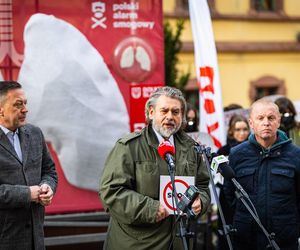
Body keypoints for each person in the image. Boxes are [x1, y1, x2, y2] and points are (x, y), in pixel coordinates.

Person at [99, 86, 210, 250]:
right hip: (138, 244)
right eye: (164, 111)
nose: (170, 117)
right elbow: (111, 192)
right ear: (151, 113)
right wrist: (151, 209)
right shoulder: (129, 146)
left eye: (175, 112)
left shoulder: (192, 148)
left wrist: (201, 201)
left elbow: (203, 185)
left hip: (180, 241)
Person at [224, 99, 300, 250]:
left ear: (278, 121)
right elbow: (229, 195)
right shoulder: (237, 154)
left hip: (284, 241)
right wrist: (243, 221)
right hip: (246, 240)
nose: (266, 123)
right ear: (251, 123)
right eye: (260, 118)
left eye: (271, 118)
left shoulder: (295, 155)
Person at [0, 81, 58, 250]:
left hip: (36, 239)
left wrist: (47, 187)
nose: (25, 109)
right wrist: (27, 194)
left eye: (25, 103)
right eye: (18, 105)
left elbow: (49, 171)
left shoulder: (34, 133)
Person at [216, 114, 250, 250]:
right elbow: (216, 176)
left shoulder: (253, 149)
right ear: (231, 131)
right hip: (226, 197)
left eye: (244, 129)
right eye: (238, 130)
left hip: (248, 194)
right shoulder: (223, 151)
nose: (242, 133)